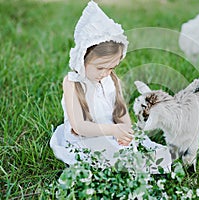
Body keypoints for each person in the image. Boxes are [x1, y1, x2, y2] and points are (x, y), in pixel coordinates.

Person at [50, 1, 171, 173]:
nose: (105, 73)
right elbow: (79, 126)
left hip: (112, 132)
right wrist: (113, 130)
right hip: (86, 137)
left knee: (153, 152)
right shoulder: (73, 83)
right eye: (100, 68)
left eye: (112, 67)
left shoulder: (110, 80)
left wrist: (126, 131)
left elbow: (120, 112)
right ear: (82, 58)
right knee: (111, 157)